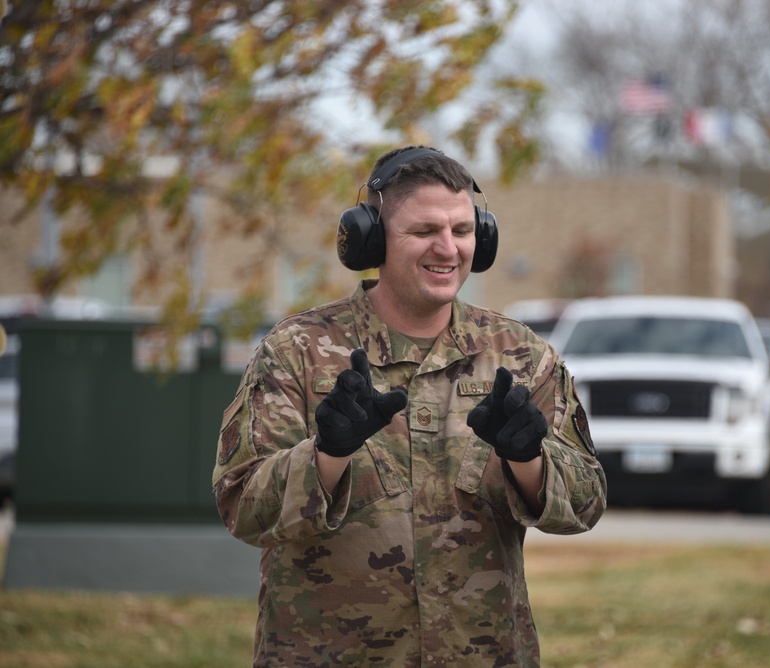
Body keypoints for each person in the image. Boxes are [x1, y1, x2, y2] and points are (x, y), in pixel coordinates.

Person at [212, 145, 607, 666]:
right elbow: (242, 508)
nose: (448, 249)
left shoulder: (518, 355)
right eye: (424, 231)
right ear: (372, 239)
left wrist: (529, 460)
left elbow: (587, 503)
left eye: (462, 231)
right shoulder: (297, 352)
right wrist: (327, 455)